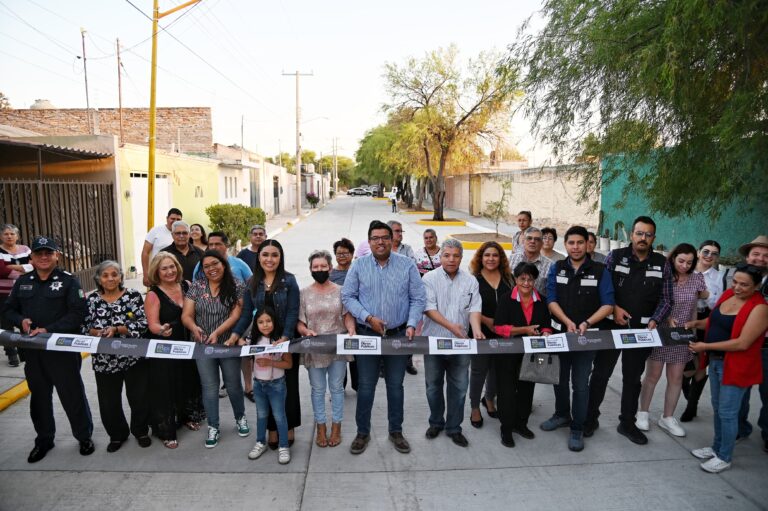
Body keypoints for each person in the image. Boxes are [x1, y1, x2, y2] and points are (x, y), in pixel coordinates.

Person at [3, 236, 94, 463]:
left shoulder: (68, 281)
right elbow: (8, 310)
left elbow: (78, 313)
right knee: (40, 398)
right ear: (31, 258)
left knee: (72, 395)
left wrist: (48, 329)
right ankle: (44, 439)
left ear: (57, 256)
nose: (44, 257)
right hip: (33, 353)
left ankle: (84, 437)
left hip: (61, 351)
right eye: (39, 253)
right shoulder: (23, 282)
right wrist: (21, 320)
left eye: (48, 253)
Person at [585, 216, 673, 445]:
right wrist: (614, 309)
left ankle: (627, 423)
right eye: (639, 233)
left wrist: (655, 320)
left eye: (648, 234)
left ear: (654, 237)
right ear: (632, 235)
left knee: (632, 379)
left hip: (642, 331)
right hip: (611, 326)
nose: (643, 238)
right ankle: (590, 419)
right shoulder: (615, 257)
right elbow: (601, 288)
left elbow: (666, 299)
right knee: (600, 374)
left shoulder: (662, 263)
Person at [341, 220, 426, 455]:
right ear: (369, 242)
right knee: (366, 386)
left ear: (392, 240)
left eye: (385, 237)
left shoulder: (407, 265)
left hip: (398, 336)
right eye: (375, 238)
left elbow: (418, 298)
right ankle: (362, 433)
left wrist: (411, 325)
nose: (380, 242)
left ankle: (396, 431)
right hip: (367, 335)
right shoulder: (358, 266)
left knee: (395, 386)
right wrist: (368, 318)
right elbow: (348, 297)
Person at [688, 263, 768, 473]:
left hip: (736, 366)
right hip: (716, 362)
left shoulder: (760, 308)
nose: (738, 287)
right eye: (735, 282)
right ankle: (716, 447)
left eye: (744, 285)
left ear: (756, 286)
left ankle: (725, 456)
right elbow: (715, 322)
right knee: (718, 408)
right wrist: (696, 324)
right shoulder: (727, 296)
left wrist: (705, 346)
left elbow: (742, 343)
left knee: (728, 412)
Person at [542, 226, 614, 451]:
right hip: (561, 334)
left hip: (587, 337)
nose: (575, 247)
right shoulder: (557, 268)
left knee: (580, 384)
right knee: (560, 380)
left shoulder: (601, 270)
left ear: (588, 244)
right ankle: (562, 414)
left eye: (580, 243)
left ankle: (577, 427)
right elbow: (551, 299)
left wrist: (587, 323)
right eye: (571, 243)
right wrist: (566, 321)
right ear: (566, 245)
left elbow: (608, 304)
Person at [229, 239, 301, 449]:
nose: (270, 259)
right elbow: (245, 315)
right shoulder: (251, 283)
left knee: (288, 387)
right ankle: (271, 429)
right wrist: (235, 334)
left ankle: (288, 428)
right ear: (259, 257)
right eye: (265, 255)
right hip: (261, 342)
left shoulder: (289, 281)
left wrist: (286, 337)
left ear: (280, 258)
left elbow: (292, 311)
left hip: (286, 342)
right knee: (266, 385)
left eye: (274, 255)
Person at [637, 244, 707, 438]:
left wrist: (693, 334)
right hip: (661, 332)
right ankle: (642, 412)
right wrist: (666, 317)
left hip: (683, 335)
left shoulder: (697, 280)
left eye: (690, 262)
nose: (685, 265)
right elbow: (656, 302)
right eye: (681, 261)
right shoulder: (664, 277)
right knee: (652, 375)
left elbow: (695, 308)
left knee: (676, 378)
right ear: (673, 258)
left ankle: (667, 417)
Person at [182, 250, 249, 448]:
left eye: (215, 264)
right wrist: (194, 328)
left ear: (223, 264)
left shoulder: (236, 284)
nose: (211, 269)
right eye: (206, 266)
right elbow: (186, 314)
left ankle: (240, 418)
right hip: (203, 346)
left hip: (227, 345)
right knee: (209, 388)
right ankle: (213, 426)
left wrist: (217, 333)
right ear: (202, 269)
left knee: (233, 384)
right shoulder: (197, 286)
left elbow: (236, 315)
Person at [83, 260, 151, 453]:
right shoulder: (92, 300)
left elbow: (142, 323)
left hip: (133, 357)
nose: (110, 278)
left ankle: (140, 431)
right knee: (108, 401)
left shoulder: (133, 296)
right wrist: (97, 332)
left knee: (138, 397)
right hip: (105, 360)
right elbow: (83, 327)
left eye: (114, 274)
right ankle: (117, 434)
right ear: (98, 279)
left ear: (121, 277)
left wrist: (117, 329)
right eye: (105, 275)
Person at [422, 239, 484, 447]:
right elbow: (429, 308)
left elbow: (474, 308)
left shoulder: (470, 281)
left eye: (455, 256)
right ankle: (436, 422)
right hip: (434, 342)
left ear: (461, 257)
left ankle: (454, 427)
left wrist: (475, 330)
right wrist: (452, 327)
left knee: (459, 388)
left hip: (461, 344)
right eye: (447, 255)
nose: (451, 259)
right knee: (433, 386)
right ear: (440, 257)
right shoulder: (429, 278)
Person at [144, 251, 205, 448]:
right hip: (165, 349)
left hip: (188, 346)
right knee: (165, 388)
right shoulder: (153, 294)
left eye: (172, 266)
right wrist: (161, 330)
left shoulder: (187, 285)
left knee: (187, 382)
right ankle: (166, 431)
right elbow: (152, 324)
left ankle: (186, 417)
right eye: (164, 268)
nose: (169, 271)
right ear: (157, 272)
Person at [297, 250, 356, 448]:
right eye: (316, 267)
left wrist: (351, 329)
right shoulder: (304, 293)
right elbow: (300, 322)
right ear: (311, 269)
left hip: (337, 346)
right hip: (314, 349)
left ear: (330, 268)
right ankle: (321, 426)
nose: (320, 270)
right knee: (318, 389)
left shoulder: (341, 290)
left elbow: (347, 314)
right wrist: (305, 331)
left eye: (323, 266)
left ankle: (336, 425)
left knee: (337, 389)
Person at [493, 262, 553, 447]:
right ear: (516, 279)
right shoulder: (505, 299)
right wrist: (524, 330)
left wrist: (546, 332)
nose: (526, 283)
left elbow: (547, 324)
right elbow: (499, 328)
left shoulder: (542, 301)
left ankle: (521, 424)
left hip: (532, 354)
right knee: (507, 392)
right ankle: (506, 428)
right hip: (508, 354)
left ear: (535, 280)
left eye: (530, 279)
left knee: (527, 390)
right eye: (522, 279)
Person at [468, 241, 513, 428]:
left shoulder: (509, 278)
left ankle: (489, 399)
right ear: (481, 258)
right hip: (481, 333)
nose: (491, 259)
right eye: (487, 255)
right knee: (479, 371)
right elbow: (469, 307)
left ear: (500, 258)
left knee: (496, 370)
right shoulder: (473, 280)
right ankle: (474, 407)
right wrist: (487, 321)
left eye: (495, 255)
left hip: (504, 334)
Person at [681, 240, 723, 422]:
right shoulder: (686, 270)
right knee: (682, 362)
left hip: (706, 319)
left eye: (714, 253)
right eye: (706, 251)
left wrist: (705, 295)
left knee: (700, 363)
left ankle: (692, 406)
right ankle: (687, 391)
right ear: (698, 252)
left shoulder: (719, 277)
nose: (709, 256)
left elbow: (718, 304)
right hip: (683, 317)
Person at [247, 307, 293, 465]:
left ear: (274, 322)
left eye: (268, 321)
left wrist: (270, 362)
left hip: (277, 385)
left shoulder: (280, 340)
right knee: (261, 415)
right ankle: (260, 442)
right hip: (259, 384)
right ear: (256, 324)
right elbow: (241, 348)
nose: (265, 325)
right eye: (260, 322)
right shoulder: (253, 340)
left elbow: (289, 364)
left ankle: (284, 445)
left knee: (280, 416)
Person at [734, 235, 768, 448]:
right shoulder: (738, 279)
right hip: (740, 346)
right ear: (748, 256)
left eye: (766, 256)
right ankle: (739, 428)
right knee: (739, 392)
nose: (760, 259)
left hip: (766, 348)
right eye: (756, 254)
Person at [0, 223, 31, 367]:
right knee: (7, 324)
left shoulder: (25, 249)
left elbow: (34, 265)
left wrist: (11, 267)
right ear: (1, 236)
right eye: (6, 234)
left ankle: (25, 351)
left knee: (25, 321)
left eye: (12, 234)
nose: (9, 236)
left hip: (25, 292)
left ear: (17, 236)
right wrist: (23, 270)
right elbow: (2, 272)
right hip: (4, 294)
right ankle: (11, 354)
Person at [141, 208, 183, 286]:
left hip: (176, 273)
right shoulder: (155, 231)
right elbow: (145, 252)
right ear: (167, 218)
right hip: (158, 273)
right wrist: (146, 275)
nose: (175, 221)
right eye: (172, 219)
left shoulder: (183, 234)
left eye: (178, 219)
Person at [509, 227, 552, 297]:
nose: (532, 241)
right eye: (529, 238)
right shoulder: (511, 260)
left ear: (541, 243)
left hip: (538, 305)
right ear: (523, 241)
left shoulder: (550, 265)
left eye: (537, 239)